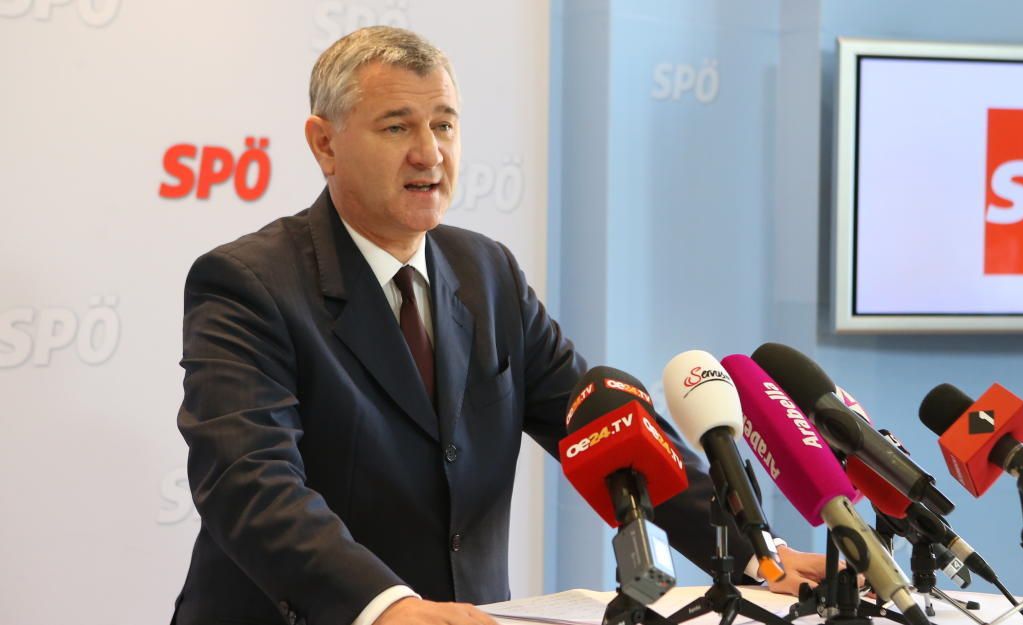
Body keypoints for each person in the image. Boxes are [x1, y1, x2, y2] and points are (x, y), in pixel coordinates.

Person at [172, 26, 826, 625]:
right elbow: (249, 484)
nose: (429, 153)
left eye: (444, 125)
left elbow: (604, 425)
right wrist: (388, 606)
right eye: (397, 127)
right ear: (325, 144)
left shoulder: (487, 274)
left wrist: (757, 554)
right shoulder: (249, 284)